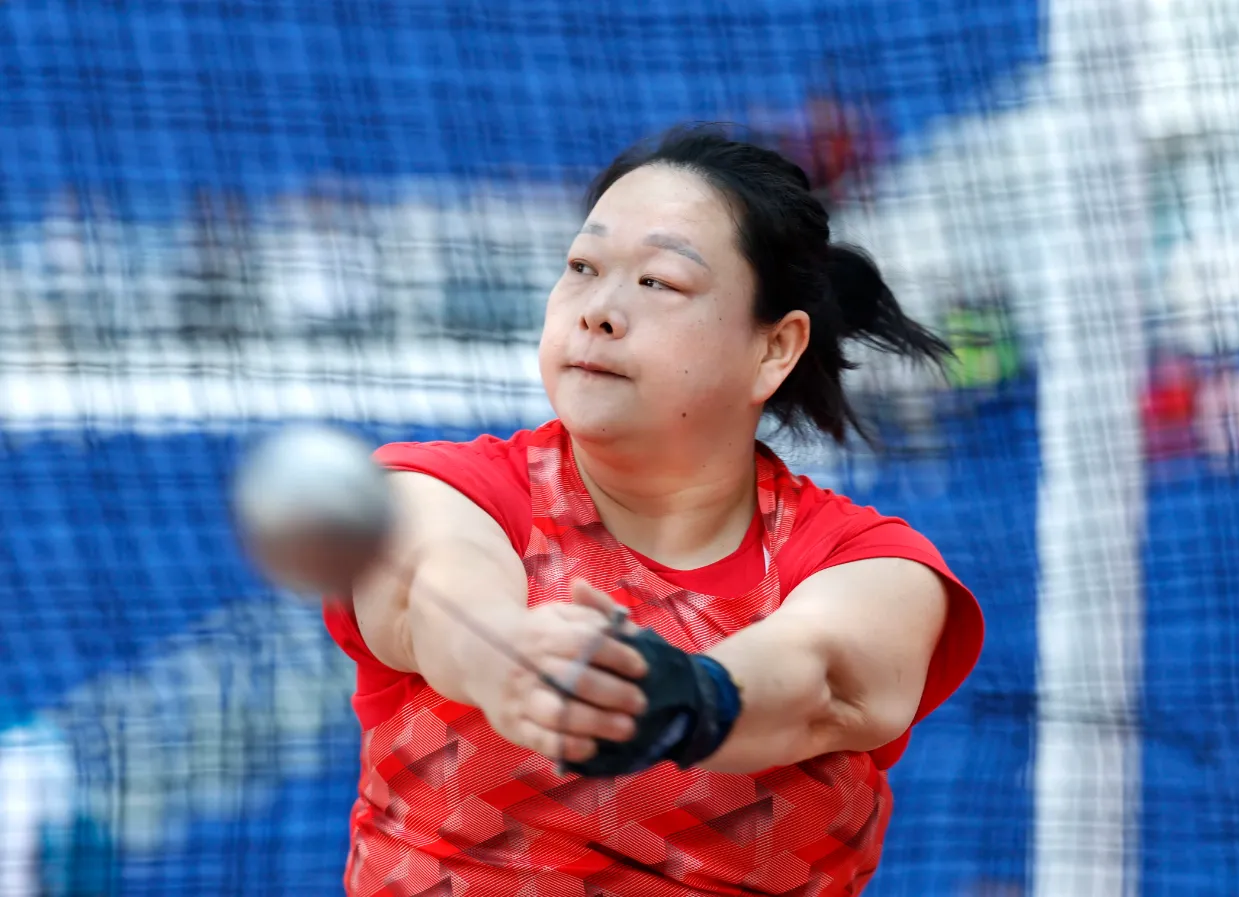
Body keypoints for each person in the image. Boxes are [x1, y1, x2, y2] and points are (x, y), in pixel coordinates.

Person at [323, 125, 984, 896]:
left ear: (775, 348)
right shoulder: (437, 490)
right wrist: (514, 659)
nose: (599, 310)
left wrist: (682, 698)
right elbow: (443, 591)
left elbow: (817, 675)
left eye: (659, 281)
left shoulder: (871, 565)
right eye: (582, 267)